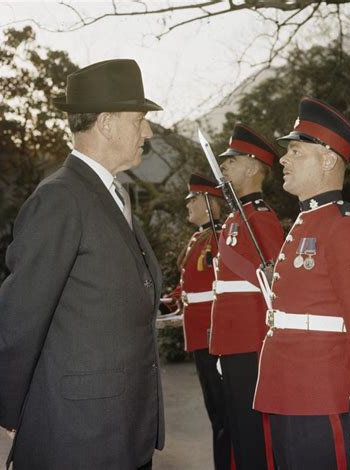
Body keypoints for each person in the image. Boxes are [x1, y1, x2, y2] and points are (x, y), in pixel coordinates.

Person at [0, 59, 164, 470]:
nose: (149, 131)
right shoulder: (61, 198)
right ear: (106, 122)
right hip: (80, 437)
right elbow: (21, 317)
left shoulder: (110, 197)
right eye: (140, 119)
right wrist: (12, 408)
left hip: (123, 429)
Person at [253, 97, 350, 470]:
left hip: (322, 399)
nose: (283, 159)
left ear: (329, 159)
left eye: (296, 151)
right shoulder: (307, 222)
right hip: (286, 392)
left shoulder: (344, 228)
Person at [209, 123, 284, 470]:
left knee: (256, 433)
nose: (223, 167)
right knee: (239, 427)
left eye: (232, 161)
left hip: (253, 340)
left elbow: (275, 287)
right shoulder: (235, 219)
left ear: (254, 166)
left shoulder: (261, 219)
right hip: (233, 341)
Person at [161, 174, 233, 470]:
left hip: (213, 334)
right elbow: (190, 286)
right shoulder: (198, 237)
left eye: (192, 200)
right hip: (201, 335)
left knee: (224, 414)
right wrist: (168, 300)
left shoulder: (218, 237)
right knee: (216, 413)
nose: (187, 205)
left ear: (208, 203)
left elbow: (225, 287)